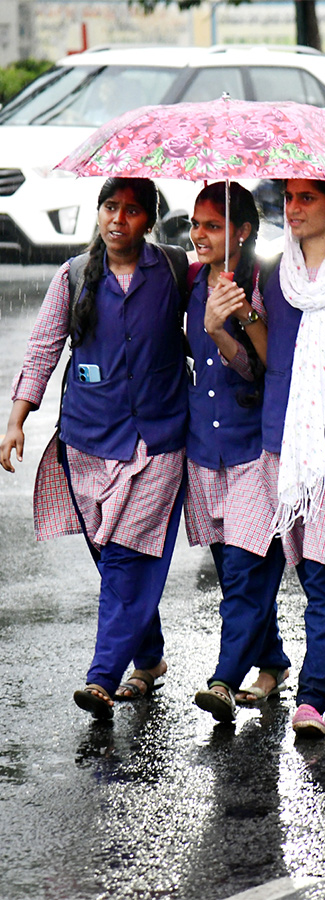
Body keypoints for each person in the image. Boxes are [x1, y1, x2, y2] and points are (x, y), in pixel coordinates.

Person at [194, 176, 325, 736]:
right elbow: (261, 363)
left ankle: (312, 699)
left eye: (307, 197)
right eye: (288, 198)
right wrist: (225, 327)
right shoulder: (270, 273)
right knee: (312, 571)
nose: (294, 207)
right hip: (283, 445)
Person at [0, 177, 189, 720]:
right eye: (110, 207)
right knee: (111, 557)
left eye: (131, 211)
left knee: (129, 556)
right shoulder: (75, 277)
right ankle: (148, 658)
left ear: (148, 221)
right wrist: (16, 421)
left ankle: (102, 676)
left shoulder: (174, 270)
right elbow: (42, 350)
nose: (117, 220)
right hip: (86, 441)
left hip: (158, 439)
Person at [184, 181, 291, 714]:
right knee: (235, 573)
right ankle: (277, 663)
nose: (199, 235)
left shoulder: (265, 281)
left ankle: (223, 679)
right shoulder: (187, 279)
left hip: (256, 450)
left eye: (212, 225)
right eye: (194, 224)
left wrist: (227, 326)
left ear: (243, 230)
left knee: (249, 575)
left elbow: (267, 367)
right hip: (205, 450)